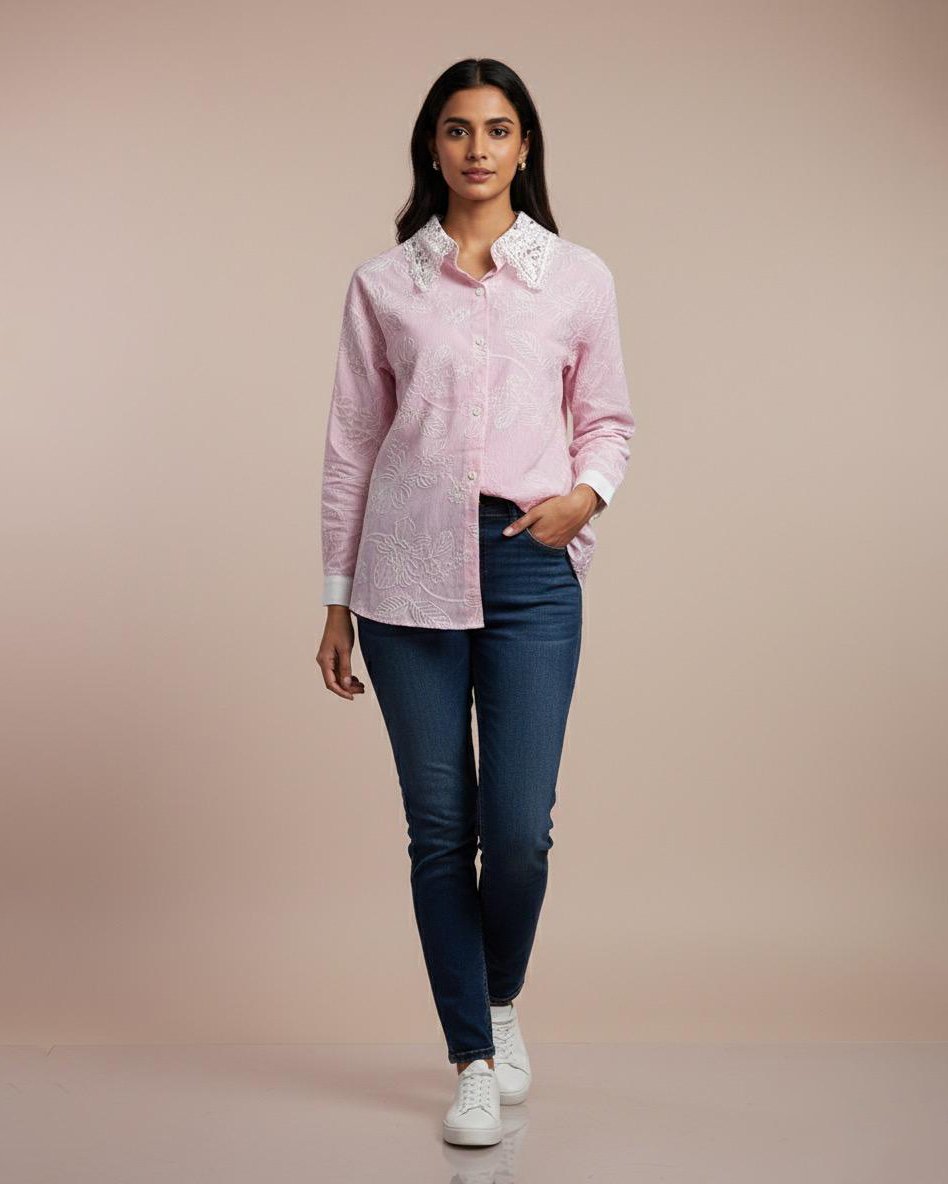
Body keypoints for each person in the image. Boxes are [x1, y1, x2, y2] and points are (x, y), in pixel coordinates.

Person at [316, 57, 636, 1147]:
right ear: (433, 146)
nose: (478, 148)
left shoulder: (577, 278)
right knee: (441, 830)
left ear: (525, 145)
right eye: (457, 129)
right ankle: (472, 1058)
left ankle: (498, 998)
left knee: (520, 832)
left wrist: (584, 496)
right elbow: (352, 445)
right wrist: (335, 598)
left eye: (498, 129)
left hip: (530, 567)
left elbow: (608, 419)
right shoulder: (384, 285)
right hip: (404, 574)